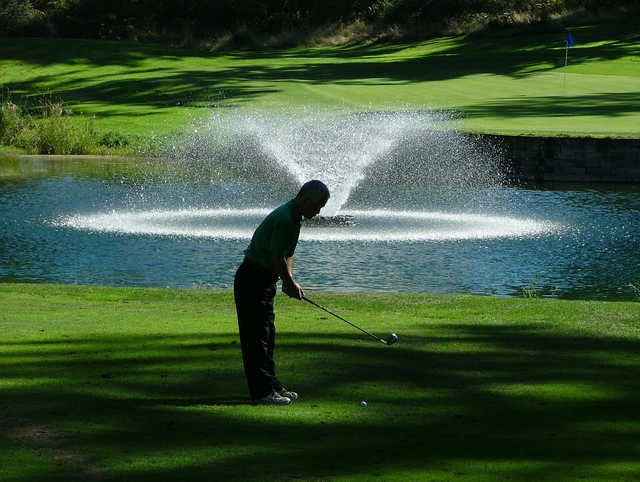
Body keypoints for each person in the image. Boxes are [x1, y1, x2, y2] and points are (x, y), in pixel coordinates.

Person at [234, 180, 330, 405]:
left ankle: (273, 386)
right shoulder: (286, 218)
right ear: (304, 199)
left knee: (267, 334)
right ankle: (262, 393)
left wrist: (289, 281)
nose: (317, 212)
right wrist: (288, 282)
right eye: (317, 206)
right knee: (256, 338)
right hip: (252, 278)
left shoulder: (295, 217)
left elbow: (288, 255)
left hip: (263, 279)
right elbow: (276, 256)